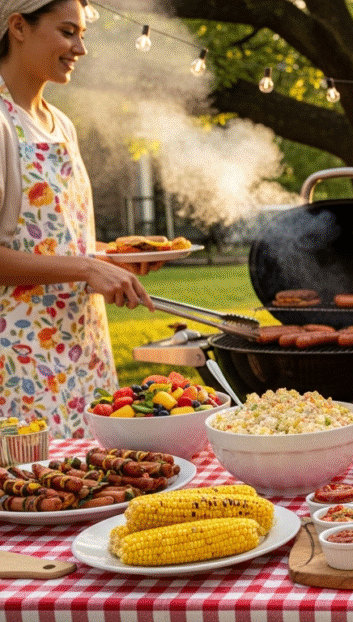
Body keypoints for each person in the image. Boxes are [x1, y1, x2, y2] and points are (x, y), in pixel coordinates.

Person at [0, 0, 156, 438]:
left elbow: (58, 239)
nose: (80, 49)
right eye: (68, 32)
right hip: (19, 359)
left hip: (82, 350)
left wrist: (113, 259)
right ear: (18, 27)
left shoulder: (61, 124)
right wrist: (87, 268)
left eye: (82, 35)